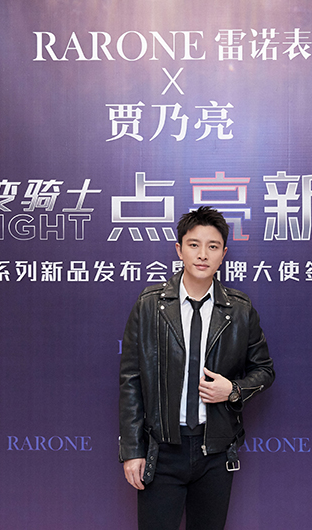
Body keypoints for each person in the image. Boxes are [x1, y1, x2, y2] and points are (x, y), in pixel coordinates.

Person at [119, 206, 275, 530]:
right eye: (194, 245)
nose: (203, 254)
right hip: (162, 449)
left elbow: (264, 371)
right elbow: (131, 380)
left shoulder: (240, 310)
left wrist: (232, 390)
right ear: (179, 250)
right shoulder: (149, 305)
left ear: (223, 254)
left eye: (213, 246)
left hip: (215, 451)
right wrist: (133, 450)